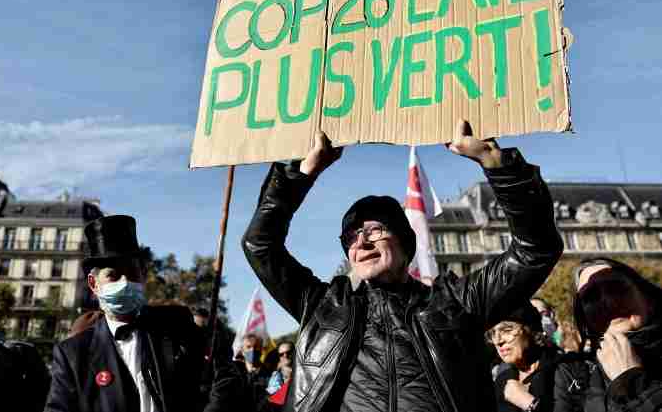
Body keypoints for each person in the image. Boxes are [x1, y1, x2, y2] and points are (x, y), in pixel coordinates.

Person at [241, 120, 564, 412]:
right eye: (351, 237)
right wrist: (299, 174)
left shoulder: (457, 303)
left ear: (405, 242)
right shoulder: (322, 307)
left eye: (374, 231)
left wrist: (497, 163)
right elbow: (260, 245)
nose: (361, 243)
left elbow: (536, 249)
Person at [45, 214, 242, 412]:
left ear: (144, 275)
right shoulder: (72, 354)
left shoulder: (176, 326)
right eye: (113, 275)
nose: (124, 282)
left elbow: (224, 376)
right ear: (93, 283)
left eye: (132, 273)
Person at [568, 257, 662, 411]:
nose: (608, 301)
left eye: (616, 288)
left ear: (648, 300)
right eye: (591, 297)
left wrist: (633, 383)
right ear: (584, 319)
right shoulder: (576, 377)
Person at [489, 303, 585, 412]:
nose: (498, 340)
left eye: (507, 330)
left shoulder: (566, 368)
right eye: (492, 333)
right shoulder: (502, 380)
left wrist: (529, 403)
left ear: (530, 329)